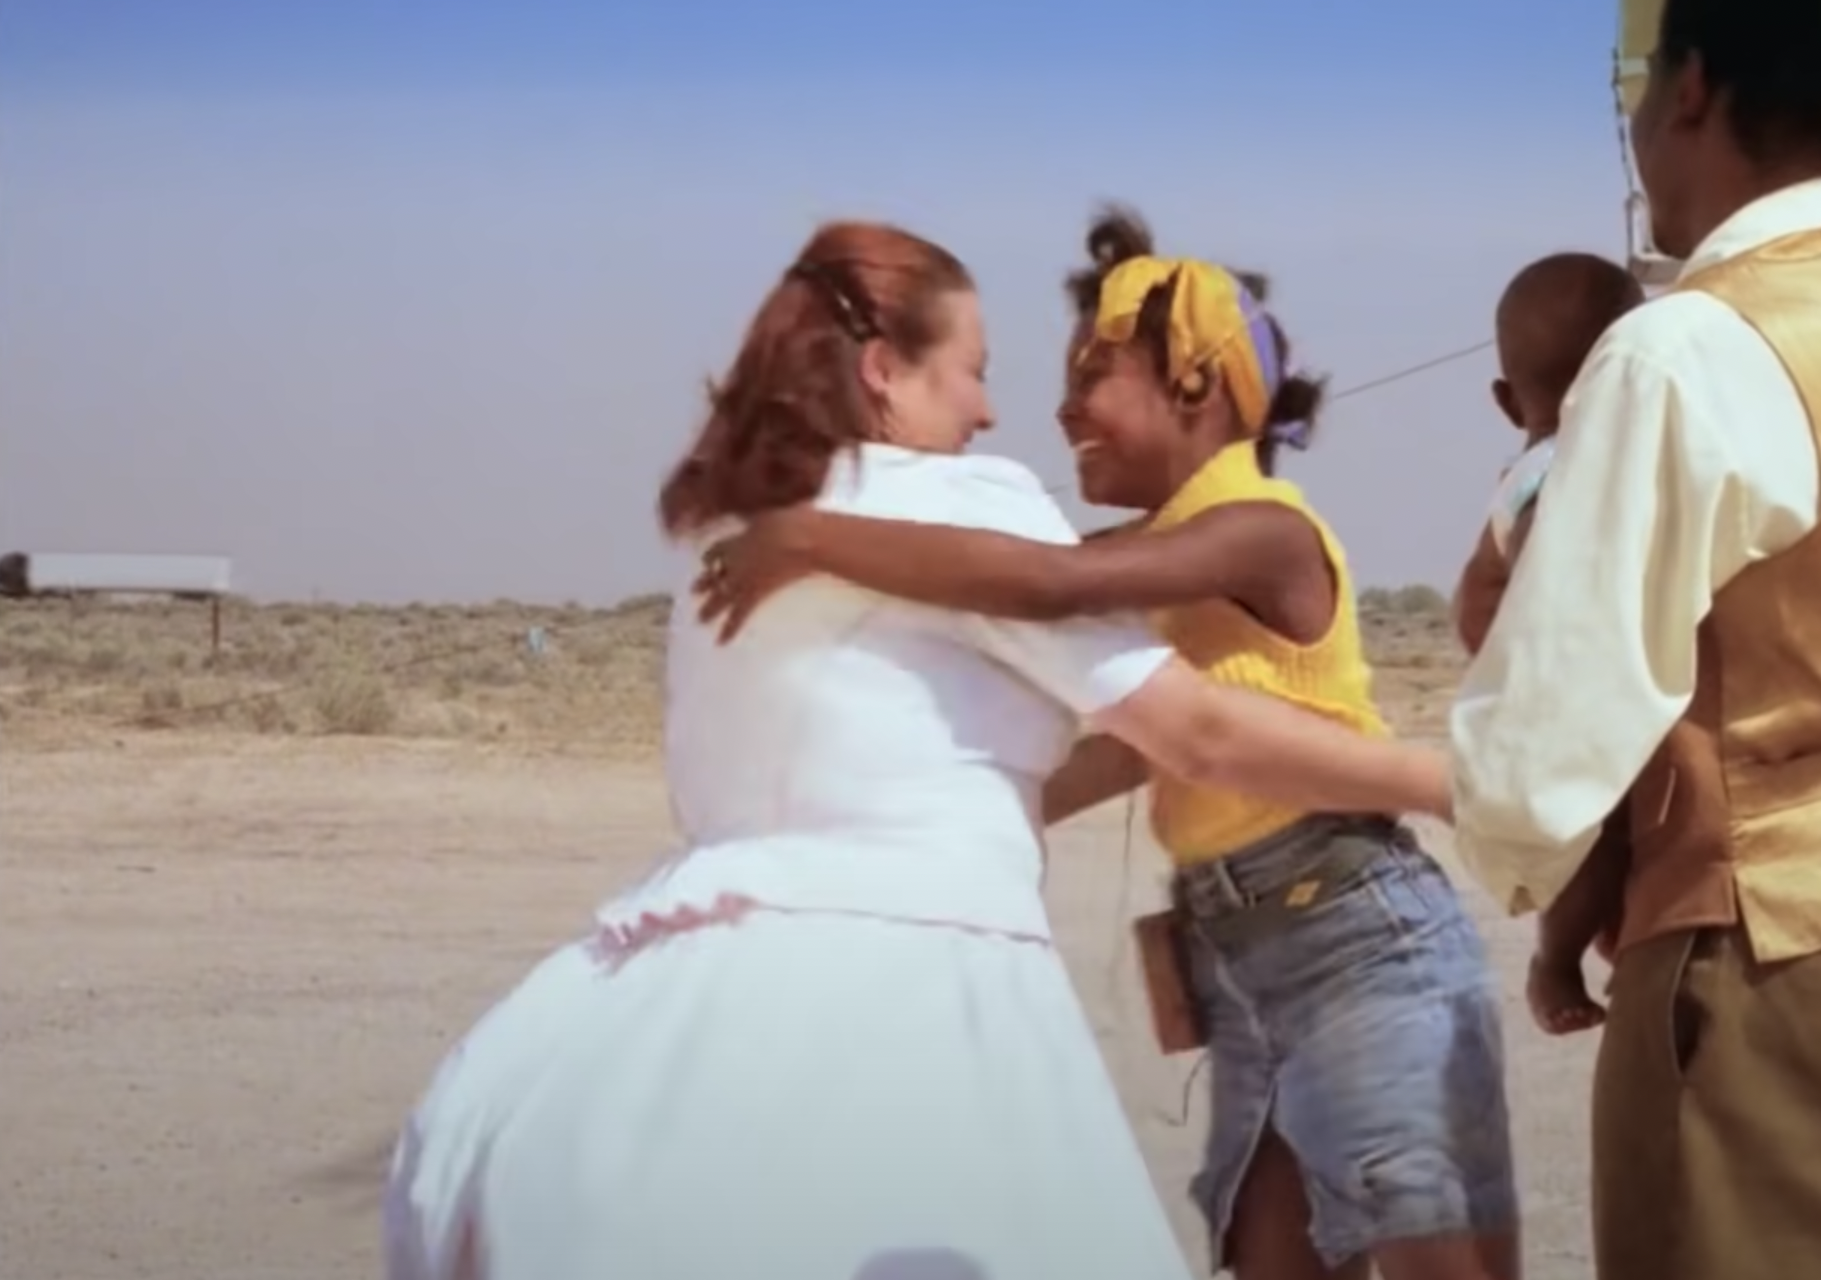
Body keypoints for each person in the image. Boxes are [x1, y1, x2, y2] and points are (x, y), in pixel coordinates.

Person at [378, 221, 1459, 1280]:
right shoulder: (963, 510)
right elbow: (1194, 730)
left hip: (664, 985)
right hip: (919, 997)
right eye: (973, 372)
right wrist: (1449, 780)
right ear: (885, 371)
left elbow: (957, 761)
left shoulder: (730, 538)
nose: (992, 411)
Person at [690, 208, 1519, 1280]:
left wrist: (807, 535)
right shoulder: (1180, 550)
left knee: (1427, 1249)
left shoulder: (1261, 527)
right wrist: (954, 803)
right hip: (1244, 943)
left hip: (1355, 932)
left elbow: (1045, 581)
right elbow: (1133, 736)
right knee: (1270, 1255)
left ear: (1195, 384)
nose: (1058, 404)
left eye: (1092, 372)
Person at [1443, 1, 1821, 1276]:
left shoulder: (1675, 353)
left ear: (1688, 87)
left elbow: (1544, 744)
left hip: (1768, 949)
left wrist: (1552, 873)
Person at [1446, 251, 1644, 1038]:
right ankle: (1555, 960)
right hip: (1557, 703)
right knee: (1603, 831)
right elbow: (1542, 573)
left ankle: (1594, 935)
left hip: (1544, 698)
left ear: (1506, 399)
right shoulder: (1568, 471)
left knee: (1610, 834)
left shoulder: (1534, 465)